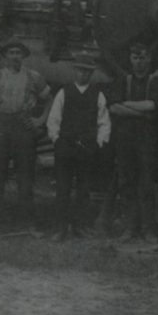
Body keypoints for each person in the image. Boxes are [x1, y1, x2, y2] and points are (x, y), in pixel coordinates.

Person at [0, 38, 50, 226]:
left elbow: (49, 98)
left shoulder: (33, 76)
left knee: (25, 174)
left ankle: (26, 220)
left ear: (23, 56)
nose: (15, 56)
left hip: (23, 125)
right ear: (5, 56)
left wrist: (40, 119)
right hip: (1, 124)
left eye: (18, 53)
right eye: (11, 53)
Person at [46, 64, 111, 240]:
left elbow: (104, 121)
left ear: (91, 73)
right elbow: (54, 119)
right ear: (74, 71)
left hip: (87, 148)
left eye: (87, 71)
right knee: (63, 188)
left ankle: (80, 226)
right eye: (80, 70)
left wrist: (98, 143)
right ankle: (60, 228)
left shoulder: (98, 94)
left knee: (83, 189)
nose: (83, 74)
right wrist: (57, 140)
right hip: (65, 147)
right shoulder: (64, 92)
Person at [107, 40, 158, 241]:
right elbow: (113, 107)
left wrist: (126, 106)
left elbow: (153, 105)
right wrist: (140, 111)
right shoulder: (123, 80)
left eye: (143, 57)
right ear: (130, 59)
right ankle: (130, 227)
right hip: (125, 140)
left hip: (147, 140)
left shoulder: (155, 81)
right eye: (135, 57)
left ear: (149, 58)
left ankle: (148, 229)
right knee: (127, 183)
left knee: (147, 184)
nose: (139, 62)